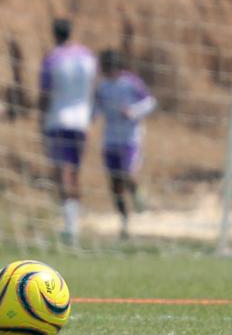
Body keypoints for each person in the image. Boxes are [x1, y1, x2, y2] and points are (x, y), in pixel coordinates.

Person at [38, 17, 97, 245]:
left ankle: (69, 226)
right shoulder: (88, 56)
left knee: (62, 172)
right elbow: (93, 88)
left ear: (54, 34)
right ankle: (73, 226)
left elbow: (45, 92)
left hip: (58, 119)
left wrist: (40, 121)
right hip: (81, 121)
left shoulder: (52, 58)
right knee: (75, 172)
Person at [93, 49, 154, 239]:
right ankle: (124, 223)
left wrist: (133, 112)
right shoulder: (102, 87)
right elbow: (96, 107)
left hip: (130, 138)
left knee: (128, 173)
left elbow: (150, 102)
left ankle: (137, 195)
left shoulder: (131, 82)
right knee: (114, 183)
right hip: (110, 139)